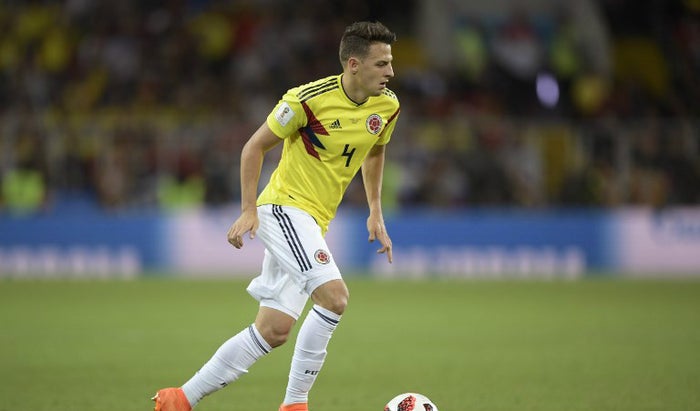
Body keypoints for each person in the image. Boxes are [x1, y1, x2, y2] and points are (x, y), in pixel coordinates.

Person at [152, 21, 399, 411]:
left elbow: (375, 151)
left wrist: (375, 211)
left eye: (390, 63)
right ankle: (295, 405)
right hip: (284, 209)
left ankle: (179, 398)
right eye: (382, 64)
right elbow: (253, 147)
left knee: (273, 330)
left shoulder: (387, 106)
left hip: (313, 222)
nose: (391, 72)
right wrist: (248, 209)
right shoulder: (306, 100)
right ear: (354, 64)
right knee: (335, 298)